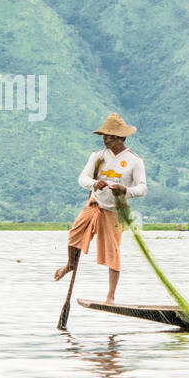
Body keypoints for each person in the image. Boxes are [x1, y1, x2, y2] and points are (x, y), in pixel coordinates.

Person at [54, 113, 147, 303]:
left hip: (115, 211)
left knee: (113, 252)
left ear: (121, 137)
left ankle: (111, 296)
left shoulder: (134, 161)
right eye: (104, 136)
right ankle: (70, 264)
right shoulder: (97, 157)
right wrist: (94, 184)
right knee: (74, 234)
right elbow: (83, 179)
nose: (105, 139)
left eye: (110, 136)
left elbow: (142, 188)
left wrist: (125, 190)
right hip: (94, 204)